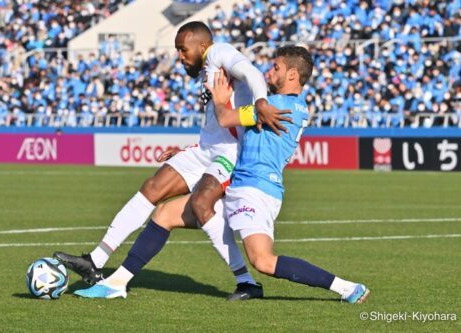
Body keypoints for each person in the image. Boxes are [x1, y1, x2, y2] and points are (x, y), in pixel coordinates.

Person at [74, 46, 370, 304]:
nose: (270, 70)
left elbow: (227, 117)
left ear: (293, 75)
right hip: (242, 186)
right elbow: (231, 134)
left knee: (264, 261)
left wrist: (219, 97)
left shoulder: (276, 106)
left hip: (255, 191)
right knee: (165, 214)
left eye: (276, 67)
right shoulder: (280, 106)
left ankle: (346, 287)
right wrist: (190, 151)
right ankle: (116, 283)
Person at [54, 21, 291, 300]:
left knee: (201, 205)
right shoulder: (206, 69)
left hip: (230, 153)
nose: (180, 56)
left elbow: (251, 72)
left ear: (202, 45)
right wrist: (188, 149)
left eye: (183, 49)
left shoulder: (219, 53)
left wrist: (261, 101)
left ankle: (246, 281)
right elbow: (214, 127)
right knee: (153, 187)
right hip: (206, 150)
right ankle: (95, 260)